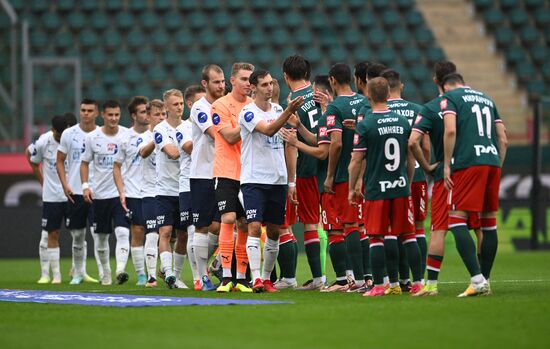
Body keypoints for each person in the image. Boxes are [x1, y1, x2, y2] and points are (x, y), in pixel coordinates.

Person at [348, 77, 423, 297]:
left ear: (368, 96)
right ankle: (418, 283)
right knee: (408, 235)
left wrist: (352, 188)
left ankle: (380, 285)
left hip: (376, 189)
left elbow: (356, 160)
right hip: (400, 187)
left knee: (376, 237)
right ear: (389, 95)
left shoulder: (366, 124)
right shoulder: (402, 121)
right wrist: (407, 182)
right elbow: (410, 157)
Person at [440, 73, 508, 297]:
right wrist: (497, 164)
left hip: (468, 162)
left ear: (445, 86)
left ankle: (477, 279)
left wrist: (448, 165)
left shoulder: (450, 98)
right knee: (488, 223)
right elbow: (503, 137)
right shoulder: (487, 98)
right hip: (491, 161)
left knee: (456, 219)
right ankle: (486, 280)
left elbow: (450, 130)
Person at [239, 69, 304, 293]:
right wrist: (288, 112)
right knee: (254, 226)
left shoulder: (278, 110)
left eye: (270, 83)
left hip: (278, 179)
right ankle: (256, 278)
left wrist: (291, 182)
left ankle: (267, 279)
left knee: (275, 230)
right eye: (264, 84)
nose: (269, 88)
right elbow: (268, 130)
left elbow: (288, 145)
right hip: (254, 179)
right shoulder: (247, 112)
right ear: (253, 88)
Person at [382, 68, 429, 291]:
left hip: (388, 178)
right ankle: (419, 279)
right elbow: (426, 146)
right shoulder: (418, 110)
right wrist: (425, 166)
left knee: (392, 228)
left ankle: (399, 280)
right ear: (401, 86)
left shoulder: (380, 111)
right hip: (416, 174)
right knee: (416, 228)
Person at [282, 55, 325, 290]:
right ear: (307, 74)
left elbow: (290, 144)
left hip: (307, 167)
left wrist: (291, 181)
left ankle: (316, 278)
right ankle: (346, 276)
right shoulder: (321, 95)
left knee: (307, 223)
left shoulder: (292, 103)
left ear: (286, 77)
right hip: (329, 164)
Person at [323, 63, 367, 292]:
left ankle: (357, 279)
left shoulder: (334, 107)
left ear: (332, 81)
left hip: (346, 175)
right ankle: (369, 276)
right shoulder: (364, 101)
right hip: (368, 173)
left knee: (349, 225)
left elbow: (336, 143)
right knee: (364, 225)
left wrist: (330, 175)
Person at [211, 62, 255, 293]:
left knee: (245, 223)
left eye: (250, 79)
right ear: (233, 81)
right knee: (228, 219)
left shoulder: (253, 105)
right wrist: (249, 120)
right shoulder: (220, 105)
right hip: (226, 171)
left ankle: (242, 277)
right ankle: (226, 277)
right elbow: (228, 136)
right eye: (244, 79)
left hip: (249, 173)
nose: (248, 83)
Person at [80, 100, 130, 286]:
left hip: (121, 194)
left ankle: (120, 270)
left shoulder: (126, 134)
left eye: (117, 115)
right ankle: (106, 272)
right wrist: (85, 185)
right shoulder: (93, 137)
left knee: (123, 232)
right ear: (103, 115)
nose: (114, 118)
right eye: (110, 115)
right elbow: (84, 162)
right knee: (101, 237)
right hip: (99, 195)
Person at [189, 65, 226, 291]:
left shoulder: (226, 105)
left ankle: (217, 263)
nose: (221, 86)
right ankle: (202, 276)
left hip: (223, 172)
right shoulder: (199, 108)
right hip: (202, 173)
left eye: (223, 82)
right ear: (205, 84)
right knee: (203, 226)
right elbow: (216, 134)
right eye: (216, 82)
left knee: (221, 223)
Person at [56, 99, 101, 284]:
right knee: (77, 235)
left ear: (96, 113)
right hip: (75, 190)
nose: (86, 113)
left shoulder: (102, 134)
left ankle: (103, 273)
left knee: (99, 234)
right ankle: (78, 273)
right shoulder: (69, 133)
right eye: (83, 110)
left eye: (90, 110)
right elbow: (59, 160)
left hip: (97, 191)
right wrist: (64, 183)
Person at [153, 89, 188, 289]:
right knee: (165, 231)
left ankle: (176, 275)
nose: (180, 107)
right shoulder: (160, 129)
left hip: (183, 189)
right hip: (165, 190)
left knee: (182, 235)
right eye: (175, 104)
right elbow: (172, 152)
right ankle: (168, 273)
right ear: (166, 107)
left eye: (181, 103)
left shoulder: (189, 126)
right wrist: (190, 148)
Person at [28, 115, 69, 283]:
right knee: (51, 233)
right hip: (52, 196)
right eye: (58, 134)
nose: (61, 137)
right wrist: (43, 183)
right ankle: (52, 275)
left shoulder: (72, 138)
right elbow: (32, 160)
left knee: (78, 233)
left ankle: (78, 273)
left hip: (71, 194)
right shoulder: (43, 141)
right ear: (53, 131)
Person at [113, 96, 150, 286]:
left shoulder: (155, 134)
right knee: (138, 230)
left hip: (153, 191)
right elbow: (117, 166)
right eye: (143, 111)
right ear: (134, 115)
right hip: (134, 192)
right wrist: (121, 191)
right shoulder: (125, 137)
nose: (147, 115)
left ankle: (158, 272)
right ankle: (141, 273)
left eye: (148, 111)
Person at [181, 84, 207, 290]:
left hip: (212, 177)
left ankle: (211, 268)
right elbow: (190, 148)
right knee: (193, 230)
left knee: (217, 228)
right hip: (190, 183)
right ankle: (198, 277)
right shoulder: (183, 128)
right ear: (191, 104)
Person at [138, 99, 166, 287]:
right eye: (157, 114)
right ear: (148, 117)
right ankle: (151, 277)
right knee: (152, 233)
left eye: (164, 114)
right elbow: (143, 152)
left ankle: (165, 269)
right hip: (149, 192)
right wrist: (157, 139)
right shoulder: (144, 136)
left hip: (168, 192)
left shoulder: (171, 134)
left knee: (172, 235)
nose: (161, 117)